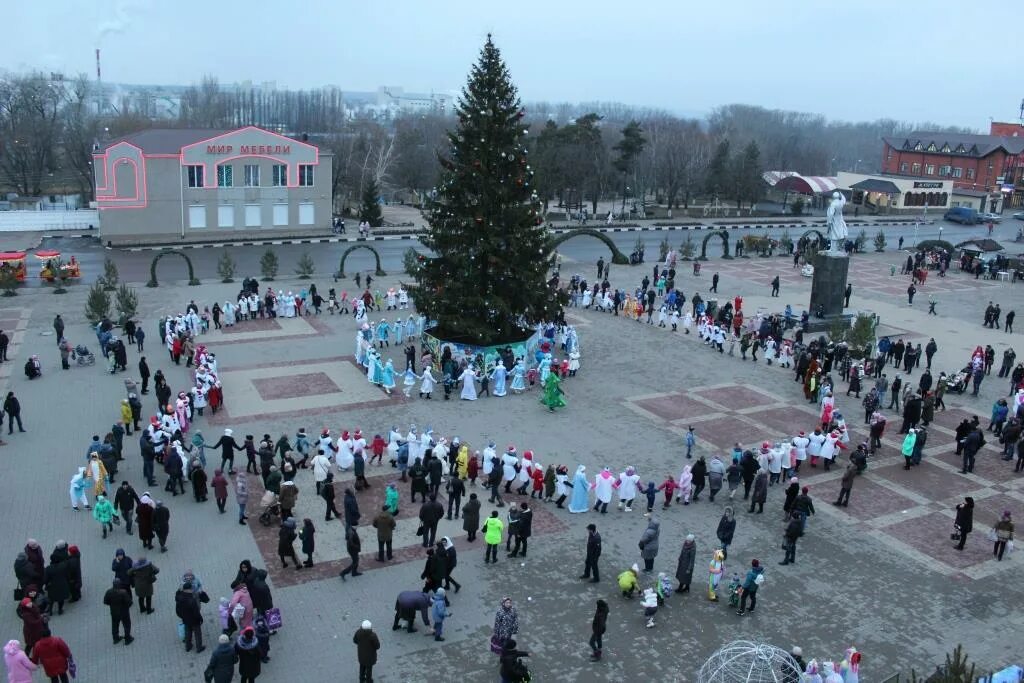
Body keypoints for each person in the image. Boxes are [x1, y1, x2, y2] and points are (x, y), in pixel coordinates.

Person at [175, 581, 207, 653]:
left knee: (187, 632)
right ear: (188, 589)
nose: (192, 590)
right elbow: (196, 613)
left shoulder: (179, 597)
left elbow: (177, 609)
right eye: (191, 588)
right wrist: (200, 619)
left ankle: (188, 646)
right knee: (197, 633)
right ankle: (199, 647)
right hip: (194, 620)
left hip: (185, 619)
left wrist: (182, 616)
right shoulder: (191, 600)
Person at [103, 579, 134, 645]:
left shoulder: (109, 592)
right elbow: (130, 603)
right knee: (127, 625)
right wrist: (126, 606)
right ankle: (127, 638)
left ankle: (116, 638)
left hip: (114, 612)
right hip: (124, 612)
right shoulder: (123, 592)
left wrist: (112, 604)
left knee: (114, 625)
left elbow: (105, 601)